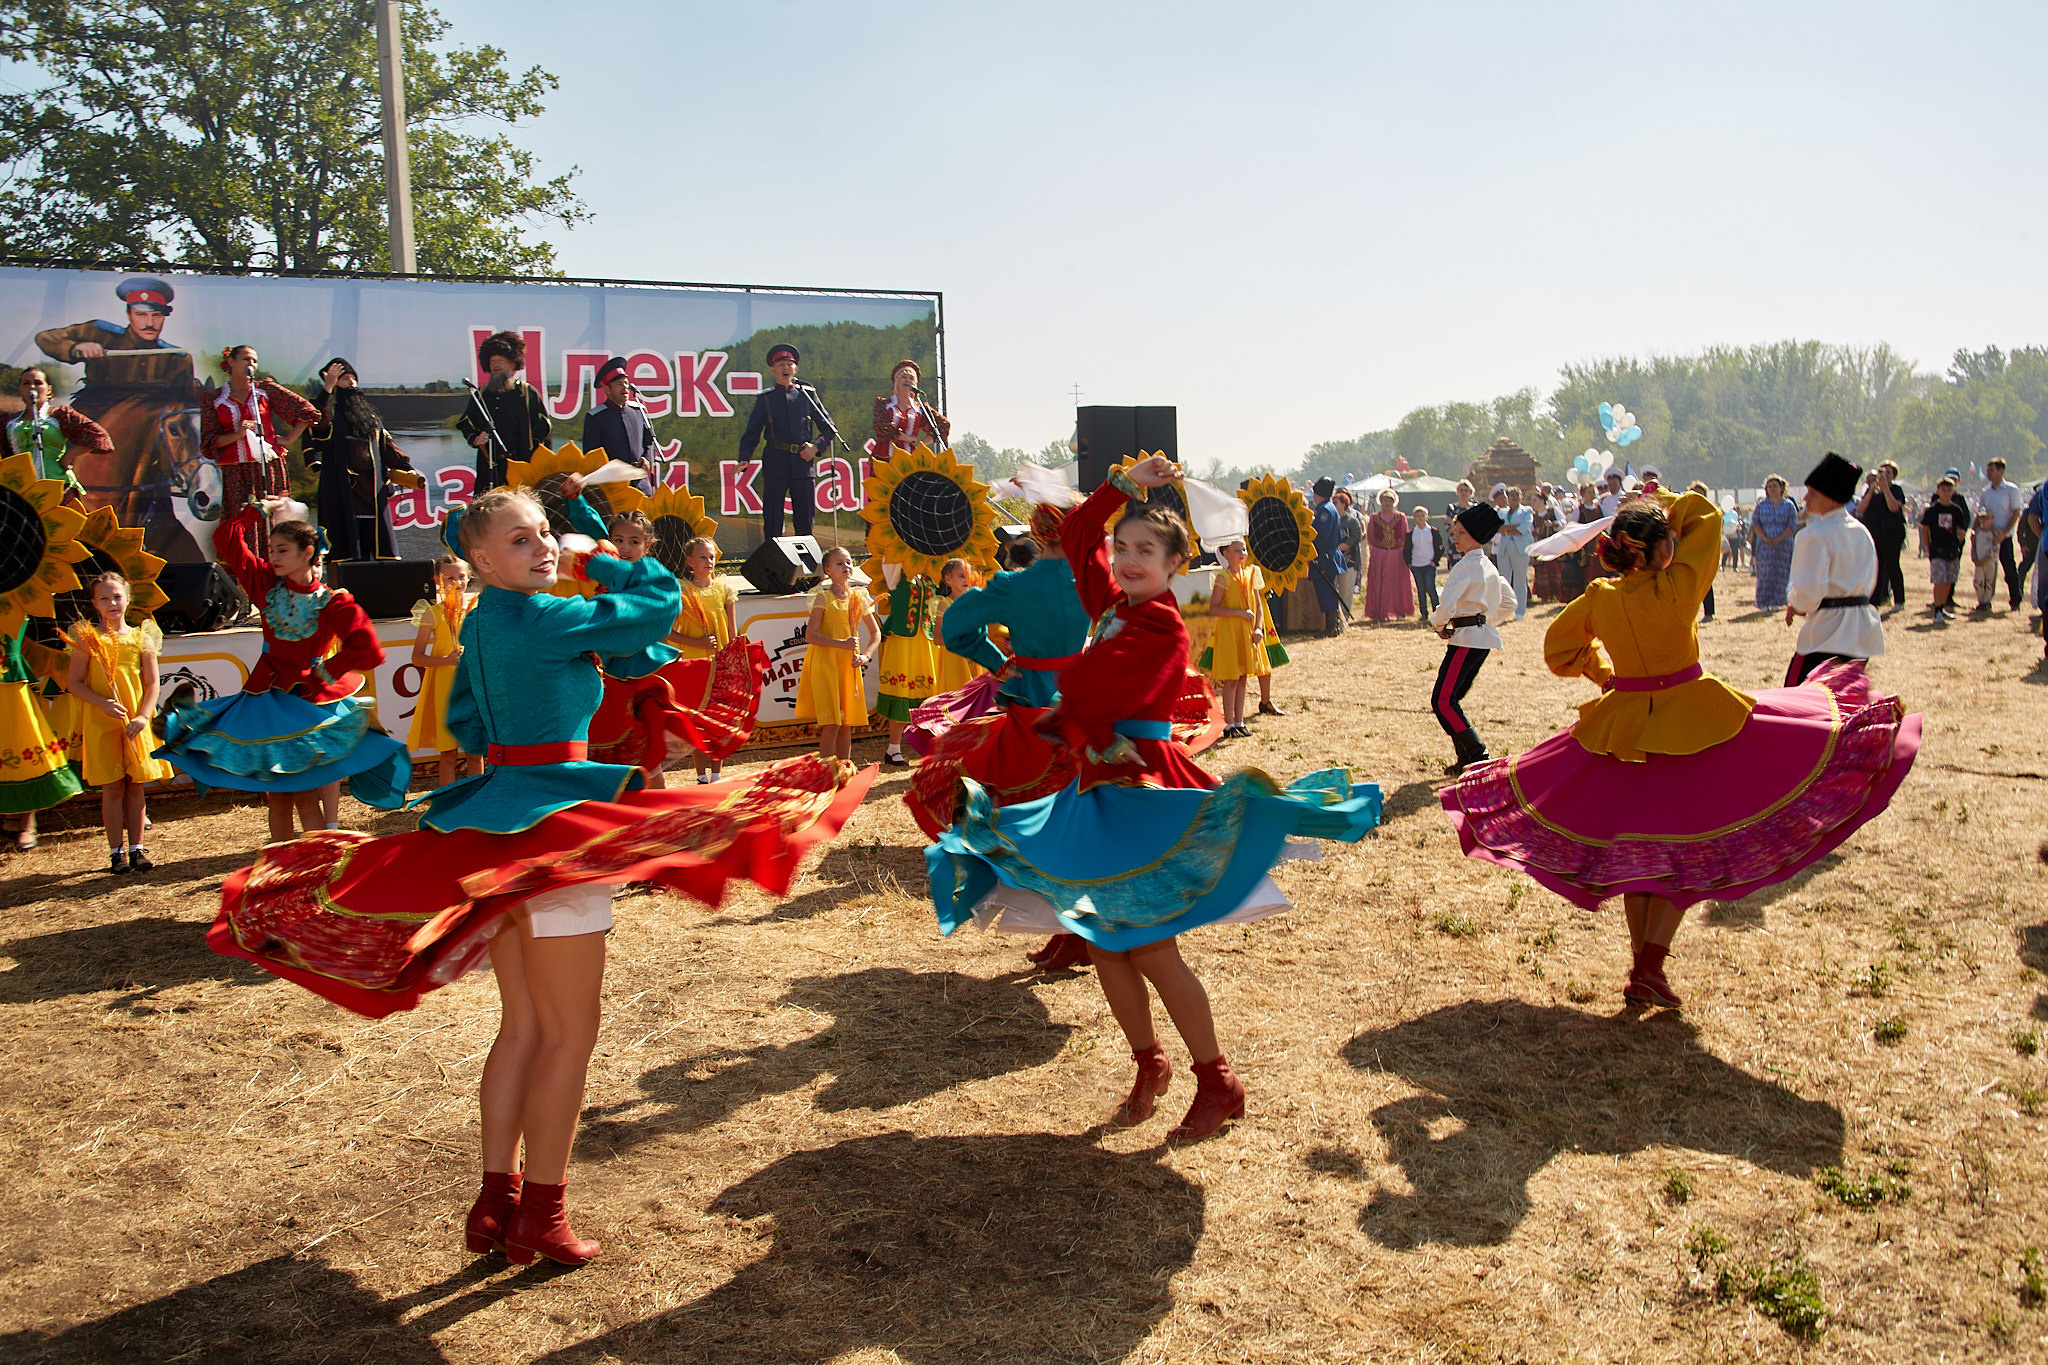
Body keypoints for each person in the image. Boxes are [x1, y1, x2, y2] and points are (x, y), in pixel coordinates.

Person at [206, 484, 875, 1268]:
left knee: (524, 1025)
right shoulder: (543, 615)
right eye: (519, 540)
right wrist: (608, 565)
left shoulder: (485, 621)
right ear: (481, 558)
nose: (543, 547)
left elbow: (466, 721)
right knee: (568, 1031)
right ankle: (542, 1213)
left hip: (495, 820)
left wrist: (569, 700)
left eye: (543, 534)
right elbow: (657, 607)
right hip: (550, 828)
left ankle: (496, 1200)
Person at [925, 457, 1380, 1140]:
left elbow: (1101, 687)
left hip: (1143, 792)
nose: (1130, 558)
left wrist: (1055, 704)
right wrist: (1124, 483)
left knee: (1152, 950)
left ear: (1175, 564)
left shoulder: (1161, 625)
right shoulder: (1115, 606)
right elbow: (1078, 532)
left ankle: (1218, 1080)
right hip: (1101, 791)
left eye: (1147, 550)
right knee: (1106, 944)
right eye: (1124, 548)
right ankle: (1151, 1063)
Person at [1442, 489, 1921, 1009]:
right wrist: (1660, 498)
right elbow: (1707, 515)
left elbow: (1558, 650)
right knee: (1682, 850)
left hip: (1624, 727)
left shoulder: (1601, 596)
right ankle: (1648, 967)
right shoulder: (1679, 585)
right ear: (1664, 549)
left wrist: (1605, 674)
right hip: (1694, 721)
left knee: (1640, 849)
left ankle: (1643, 967)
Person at [156, 506, 410, 842]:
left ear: (307, 553)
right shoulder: (265, 585)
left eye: (282, 550)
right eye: (271, 550)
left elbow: (368, 648)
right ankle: (280, 861)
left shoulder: (331, 602)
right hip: (267, 699)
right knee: (277, 796)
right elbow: (226, 538)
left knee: (304, 793)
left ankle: (316, 861)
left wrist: (325, 672)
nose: (273, 557)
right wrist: (254, 511)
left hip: (305, 702)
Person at [62, 572, 173, 874]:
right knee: (112, 788)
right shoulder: (87, 639)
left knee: (135, 786)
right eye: (104, 598)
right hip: (102, 722)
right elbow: (74, 683)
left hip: (135, 722)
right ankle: (116, 853)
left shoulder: (141, 637)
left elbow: (152, 684)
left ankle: (137, 848)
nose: (112, 603)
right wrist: (102, 703)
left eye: (117, 597)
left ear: (128, 599)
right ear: (94, 603)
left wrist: (142, 716)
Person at [200, 345, 320, 559]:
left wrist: (289, 439)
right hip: (236, 472)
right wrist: (238, 434)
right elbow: (210, 442)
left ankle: (277, 569)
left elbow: (307, 411)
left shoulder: (264, 391)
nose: (251, 364)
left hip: (269, 467)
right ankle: (245, 572)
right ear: (231, 362)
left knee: (273, 520)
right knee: (241, 521)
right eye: (246, 359)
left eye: (254, 361)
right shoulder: (214, 399)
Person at [1428, 504, 1515, 775]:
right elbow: (1509, 602)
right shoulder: (1487, 565)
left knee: (1443, 701)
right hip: (1479, 639)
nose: (1455, 536)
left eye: (1461, 532)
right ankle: (1465, 756)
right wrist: (1484, 620)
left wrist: (1438, 624)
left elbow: (1447, 603)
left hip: (1466, 640)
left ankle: (1477, 754)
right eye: (1455, 531)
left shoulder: (1465, 567)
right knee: (1450, 699)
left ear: (1476, 536)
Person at [306, 357, 422, 561]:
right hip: (342, 491)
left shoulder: (370, 419)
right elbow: (317, 426)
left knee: (378, 553)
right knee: (346, 554)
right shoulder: (329, 414)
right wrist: (327, 389)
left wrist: (405, 467)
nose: (351, 382)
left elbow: (386, 445)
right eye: (344, 379)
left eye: (353, 378)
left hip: (371, 492)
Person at [1783, 453, 1884, 685]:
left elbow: (1809, 589)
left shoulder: (1813, 535)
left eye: (1813, 494)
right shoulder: (1862, 532)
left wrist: (1797, 605)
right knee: (1846, 699)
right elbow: (1871, 580)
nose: (1805, 498)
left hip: (1827, 633)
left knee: (1800, 699)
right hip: (1860, 632)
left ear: (1832, 497)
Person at [666, 535, 744, 783]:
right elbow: (667, 631)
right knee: (696, 721)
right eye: (703, 557)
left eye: (711, 557)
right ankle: (701, 776)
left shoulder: (724, 589)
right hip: (693, 666)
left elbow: (732, 631)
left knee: (718, 720)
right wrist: (696, 643)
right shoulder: (681, 591)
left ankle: (716, 775)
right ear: (690, 561)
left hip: (720, 665)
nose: (709, 561)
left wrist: (734, 657)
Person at [0, 624, 83, 851]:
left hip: (12, 684)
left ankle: (27, 821)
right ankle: (10, 812)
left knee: (22, 742)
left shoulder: (13, 603)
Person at [794, 546, 878, 762]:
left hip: (848, 666)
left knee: (846, 723)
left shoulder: (858, 597)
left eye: (849, 562)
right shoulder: (823, 598)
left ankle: (843, 769)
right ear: (828, 570)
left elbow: (876, 633)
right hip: (825, 665)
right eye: (839, 563)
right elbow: (810, 635)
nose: (846, 566)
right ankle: (825, 771)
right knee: (831, 723)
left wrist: (865, 656)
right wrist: (841, 644)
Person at [739, 343, 829, 541]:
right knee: (773, 519)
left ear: (795, 369)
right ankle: (773, 558)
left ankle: (806, 559)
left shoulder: (807, 395)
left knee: (805, 519)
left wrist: (816, 447)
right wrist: (744, 458)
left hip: (803, 465)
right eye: (780, 365)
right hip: (776, 463)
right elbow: (751, 433)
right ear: (773, 370)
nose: (785, 368)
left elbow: (828, 428)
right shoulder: (766, 399)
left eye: (789, 364)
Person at [408, 555, 479, 788]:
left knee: (475, 750)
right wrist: (445, 660)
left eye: (461, 577)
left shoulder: (477, 610)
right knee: (448, 752)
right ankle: (448, 796)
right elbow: (417, 657)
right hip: (444, 689)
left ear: (469, 577)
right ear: (438, 580)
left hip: (472, 686)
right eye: (449, 578)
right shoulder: (432, 614)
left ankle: (476, 796)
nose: (456, 583)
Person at [458, 332, 552, 493]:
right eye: (492, 361)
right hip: (490, 465)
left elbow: (544, 427)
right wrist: (476, 438)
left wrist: (535, 458)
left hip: (522, 463)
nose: (496, 365)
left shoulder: (526, 392)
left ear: (512, 363)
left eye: (500, 361)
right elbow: (466, 423)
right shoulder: (481, 394)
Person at [3, 367, 112, 494]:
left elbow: (99, 436)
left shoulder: (60, 415)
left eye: (38, 383)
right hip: (18, 488)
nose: (32, 387)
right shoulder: (9, 421)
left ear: (48, 389)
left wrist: (68, 456)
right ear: (20, 389)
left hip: (58, 485)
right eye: (26, 383)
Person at [1203, 537, 1269, 738]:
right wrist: (1239, 613)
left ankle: (1239, 722)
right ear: (1226, 554)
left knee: (1242, 678)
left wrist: (1258, 629)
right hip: (1230, 632)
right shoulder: (1223, 578)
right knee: (1231, 678)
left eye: (1244, 550)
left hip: (1245, 632)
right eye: (1237, 551)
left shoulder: (1251, 574)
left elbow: (1258, 606)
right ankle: (1228, 724)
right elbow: (1214, 608)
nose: (1242, 554)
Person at [875, 566, 940, 765]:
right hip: (901, 641)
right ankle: (893, 749)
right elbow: (890, 556)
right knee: (901, 691)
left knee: (927, 692)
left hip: (925, 641)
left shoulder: (929, 574)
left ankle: (928, 747)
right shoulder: (895, 571)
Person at [580, 357, 658, 494]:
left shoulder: (638, 411)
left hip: (641, 486)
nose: (624, 387)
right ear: (607, 389)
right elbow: (591, 456)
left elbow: (649, 443)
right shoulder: (596, 417)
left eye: (626, 383)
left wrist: (647, 459)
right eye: (619, 384)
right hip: (613, 489)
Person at [1853, 461, 1906, 612]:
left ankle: (1899, 600)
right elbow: (1861, 509)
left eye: (1888, 473)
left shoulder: (1896, 490)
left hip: (1892, 533)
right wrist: (1872, 490)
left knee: (1892, 565)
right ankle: (1875, 600)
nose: (1885, 475)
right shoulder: (1872, 491)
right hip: (1874, 533)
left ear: (1893, 476)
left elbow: (1894, 507)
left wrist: (1885, 489)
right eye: (1882, 472)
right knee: (1876, 566)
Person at [872, 359, 950, 460]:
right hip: (885, 457)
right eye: (903, 377)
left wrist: (920, 444)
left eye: (911, 378)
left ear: (915, 384)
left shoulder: (920, 408)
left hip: (911, 458)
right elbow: (881, 426)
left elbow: (944, 425)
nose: (907, 380)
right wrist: (906, 438)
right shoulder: (884, 404)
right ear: (896, 382)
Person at [1979, 458, 2028, 612]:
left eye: (1991, 470)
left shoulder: (2011, 490)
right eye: (1987, 470)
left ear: (2001, 471)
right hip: (1988, 537)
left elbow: (2016, 513)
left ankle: (2015, 600)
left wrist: (2004, 532)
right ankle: (1985, 601)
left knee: (2009, 570)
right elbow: (1980, 513)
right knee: (1986, 571)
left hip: (2004, 537)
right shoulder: (1985, 492)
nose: (1988, 473)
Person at [931, 558, 987, 694]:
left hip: (976, 660)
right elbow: (937, 638)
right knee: (956, 698)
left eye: (968, 575)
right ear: (948, 579)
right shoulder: (945, 604)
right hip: (955, 664)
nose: (966, 579)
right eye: (961, 576)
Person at [1918, 475, 1969, 622]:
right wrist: (1929, 548)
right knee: (1939, 581)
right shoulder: (1932, 510)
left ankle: (1942, 606)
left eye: (1949, 489)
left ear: (1953, 491)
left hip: (1951, 550)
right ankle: (1937, 609)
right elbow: (1925, 530)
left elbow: (1961, 529)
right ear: (1938, 491)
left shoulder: (1956, 510)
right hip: (1937, 550)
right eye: (1943, 489)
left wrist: (1960, 539)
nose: (1946, 492)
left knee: (1949, 580)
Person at [1749, 475, 1799, 609]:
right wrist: (1765, 538)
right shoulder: (1761, 505)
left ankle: (1778, 601)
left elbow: (1792, 524)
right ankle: (1763, 602)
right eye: (1769, 486)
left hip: (1784, 545)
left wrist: (1780, 538)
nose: (1772, 489)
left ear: (1781, 488)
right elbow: (1755, 523)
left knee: (1780, 573)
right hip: (1765, 546)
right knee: (1765, 573)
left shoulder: (1789, 505)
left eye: (1775, 486)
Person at [1309, 476, 1345, 634]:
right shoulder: (1329, 508)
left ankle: (1331, 627)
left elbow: (1320, 536)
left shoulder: (1324, 511)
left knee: (1326, 591)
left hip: (1324, 557)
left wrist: (1311, 549)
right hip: (1328, 555)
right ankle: (1331, 626)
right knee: (1327, 591)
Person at [1494, 485, 1533, 618]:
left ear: (1521, 497)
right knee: (1504, 580)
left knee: (1519, 580)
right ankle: (1504, 610)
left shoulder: (1526, 511)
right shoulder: (1502, 512)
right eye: (1512, 495)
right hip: (1504, 548)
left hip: (1520, 548)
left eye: (1517, 495)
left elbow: (1522, 528)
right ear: (1508, 498)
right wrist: (1511, 528)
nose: (1515, 498)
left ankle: (1520, 611)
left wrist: (1507, 529)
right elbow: (1498, 528)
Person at [1528, 489, 1564, 604]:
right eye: (1532, 501)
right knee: (1542, 569)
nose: (1532, 503)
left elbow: (1563, 523)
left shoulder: (1553, 511)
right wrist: (1536, 532)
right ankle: (1545, 595)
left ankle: (1557, 594)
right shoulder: (1533, 517)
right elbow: (1530, 532)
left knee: (1555, 568)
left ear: (1542, 501)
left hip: (1553, 546)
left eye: (1535, 500)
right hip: (1541, 547)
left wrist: (1552, 524)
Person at [1408, 504, 1443, 618]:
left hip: (1429, 565)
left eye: (1422, 515)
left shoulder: (1433, 531)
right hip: (1416, 565)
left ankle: (1437, 613)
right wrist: (1409, 563)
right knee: (1421, 590)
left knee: (1430, 588)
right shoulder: (1411, 533)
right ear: (1414, 518)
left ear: (1427, 517)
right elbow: (1407, 549)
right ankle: (1424, 613)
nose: (1420, 518)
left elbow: (1440, 547)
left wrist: (1435, 561)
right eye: (1417, 516)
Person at [1331, 490, 1365, 608]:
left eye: (1336, 502)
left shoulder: (1352, 521)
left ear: (1344, 504)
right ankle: (1334, 616)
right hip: (1331, 562)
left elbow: (1355, 539)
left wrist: (1337, 548)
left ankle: (1345, 616)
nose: (1333, 504)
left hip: (1349, 563)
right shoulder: (1330, 520)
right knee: (1332, 592)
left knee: (1346, 593)